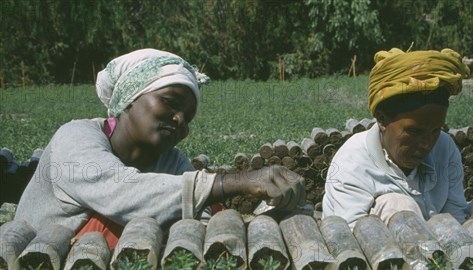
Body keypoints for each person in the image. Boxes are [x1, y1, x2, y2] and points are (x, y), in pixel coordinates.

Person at [15, 48, 305, 249]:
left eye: (187, 117)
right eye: (170, 102)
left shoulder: (171, 161)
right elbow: (124, 193)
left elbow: (199, 214)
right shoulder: (75, 138)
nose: (179, 120)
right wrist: (239, 182)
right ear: (130, 99)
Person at [322, 48, 473, 228]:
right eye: (414, 131)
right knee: (398, 206)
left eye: (436, 130)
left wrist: (471, 225)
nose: (426, 144)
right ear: (382, 120)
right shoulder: (353, 161)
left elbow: (455, 216)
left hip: (441, 235)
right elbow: (354, 239)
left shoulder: (444, 147)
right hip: (380, 252)